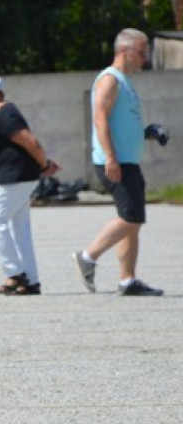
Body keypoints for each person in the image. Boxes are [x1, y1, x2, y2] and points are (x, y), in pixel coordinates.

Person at [73, 28, 164, 297]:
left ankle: (127, 280)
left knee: (132, 221)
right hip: (115, 161)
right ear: (124, 51)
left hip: (127, 161)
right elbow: (100, 118)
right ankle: (88, 257)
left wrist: (147, 132)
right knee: (131, 217)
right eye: (141, 52)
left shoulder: (125, 81)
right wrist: (111, 157)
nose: (145, 58)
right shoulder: (110, 79)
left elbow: (122, 123)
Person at [0, 73, 60, 296]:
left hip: (14, 178)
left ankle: (15, 274)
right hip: (18, 178)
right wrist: (42, 165)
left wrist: (44, 164)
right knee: (20, 229)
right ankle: (31, 280)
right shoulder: (2, 114)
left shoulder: (5, 113)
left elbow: (30, 142)